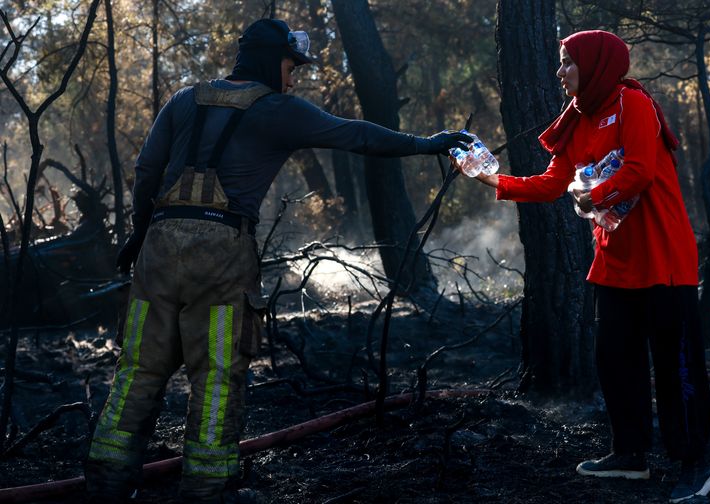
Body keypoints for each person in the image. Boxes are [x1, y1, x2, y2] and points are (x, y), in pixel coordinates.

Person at [84, 18, 471, 503]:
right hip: (221, 253)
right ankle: (205, 488)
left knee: (138, 367)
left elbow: (146, 169)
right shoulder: (279, 109)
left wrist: (140, 233)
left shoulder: (184, 99)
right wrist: (427, 143)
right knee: (218, 374)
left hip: (158, 247)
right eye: (291, 66)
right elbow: (356, 135)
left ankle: (106, 483)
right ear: (272, 60)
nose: (293, 78)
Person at [462, 30, 710, 503]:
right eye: (560, 63)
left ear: (595, 64)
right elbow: (551, 182)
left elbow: (639, 169)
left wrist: (591, 196)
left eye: (566, 63)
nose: (559, 72)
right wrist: (489, 177)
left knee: (675, 363)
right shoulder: (576, 119)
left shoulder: (632, 103)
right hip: (615, 263)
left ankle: (695, 463)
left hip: (663, 259)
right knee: (615, 361)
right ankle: (631, 455)